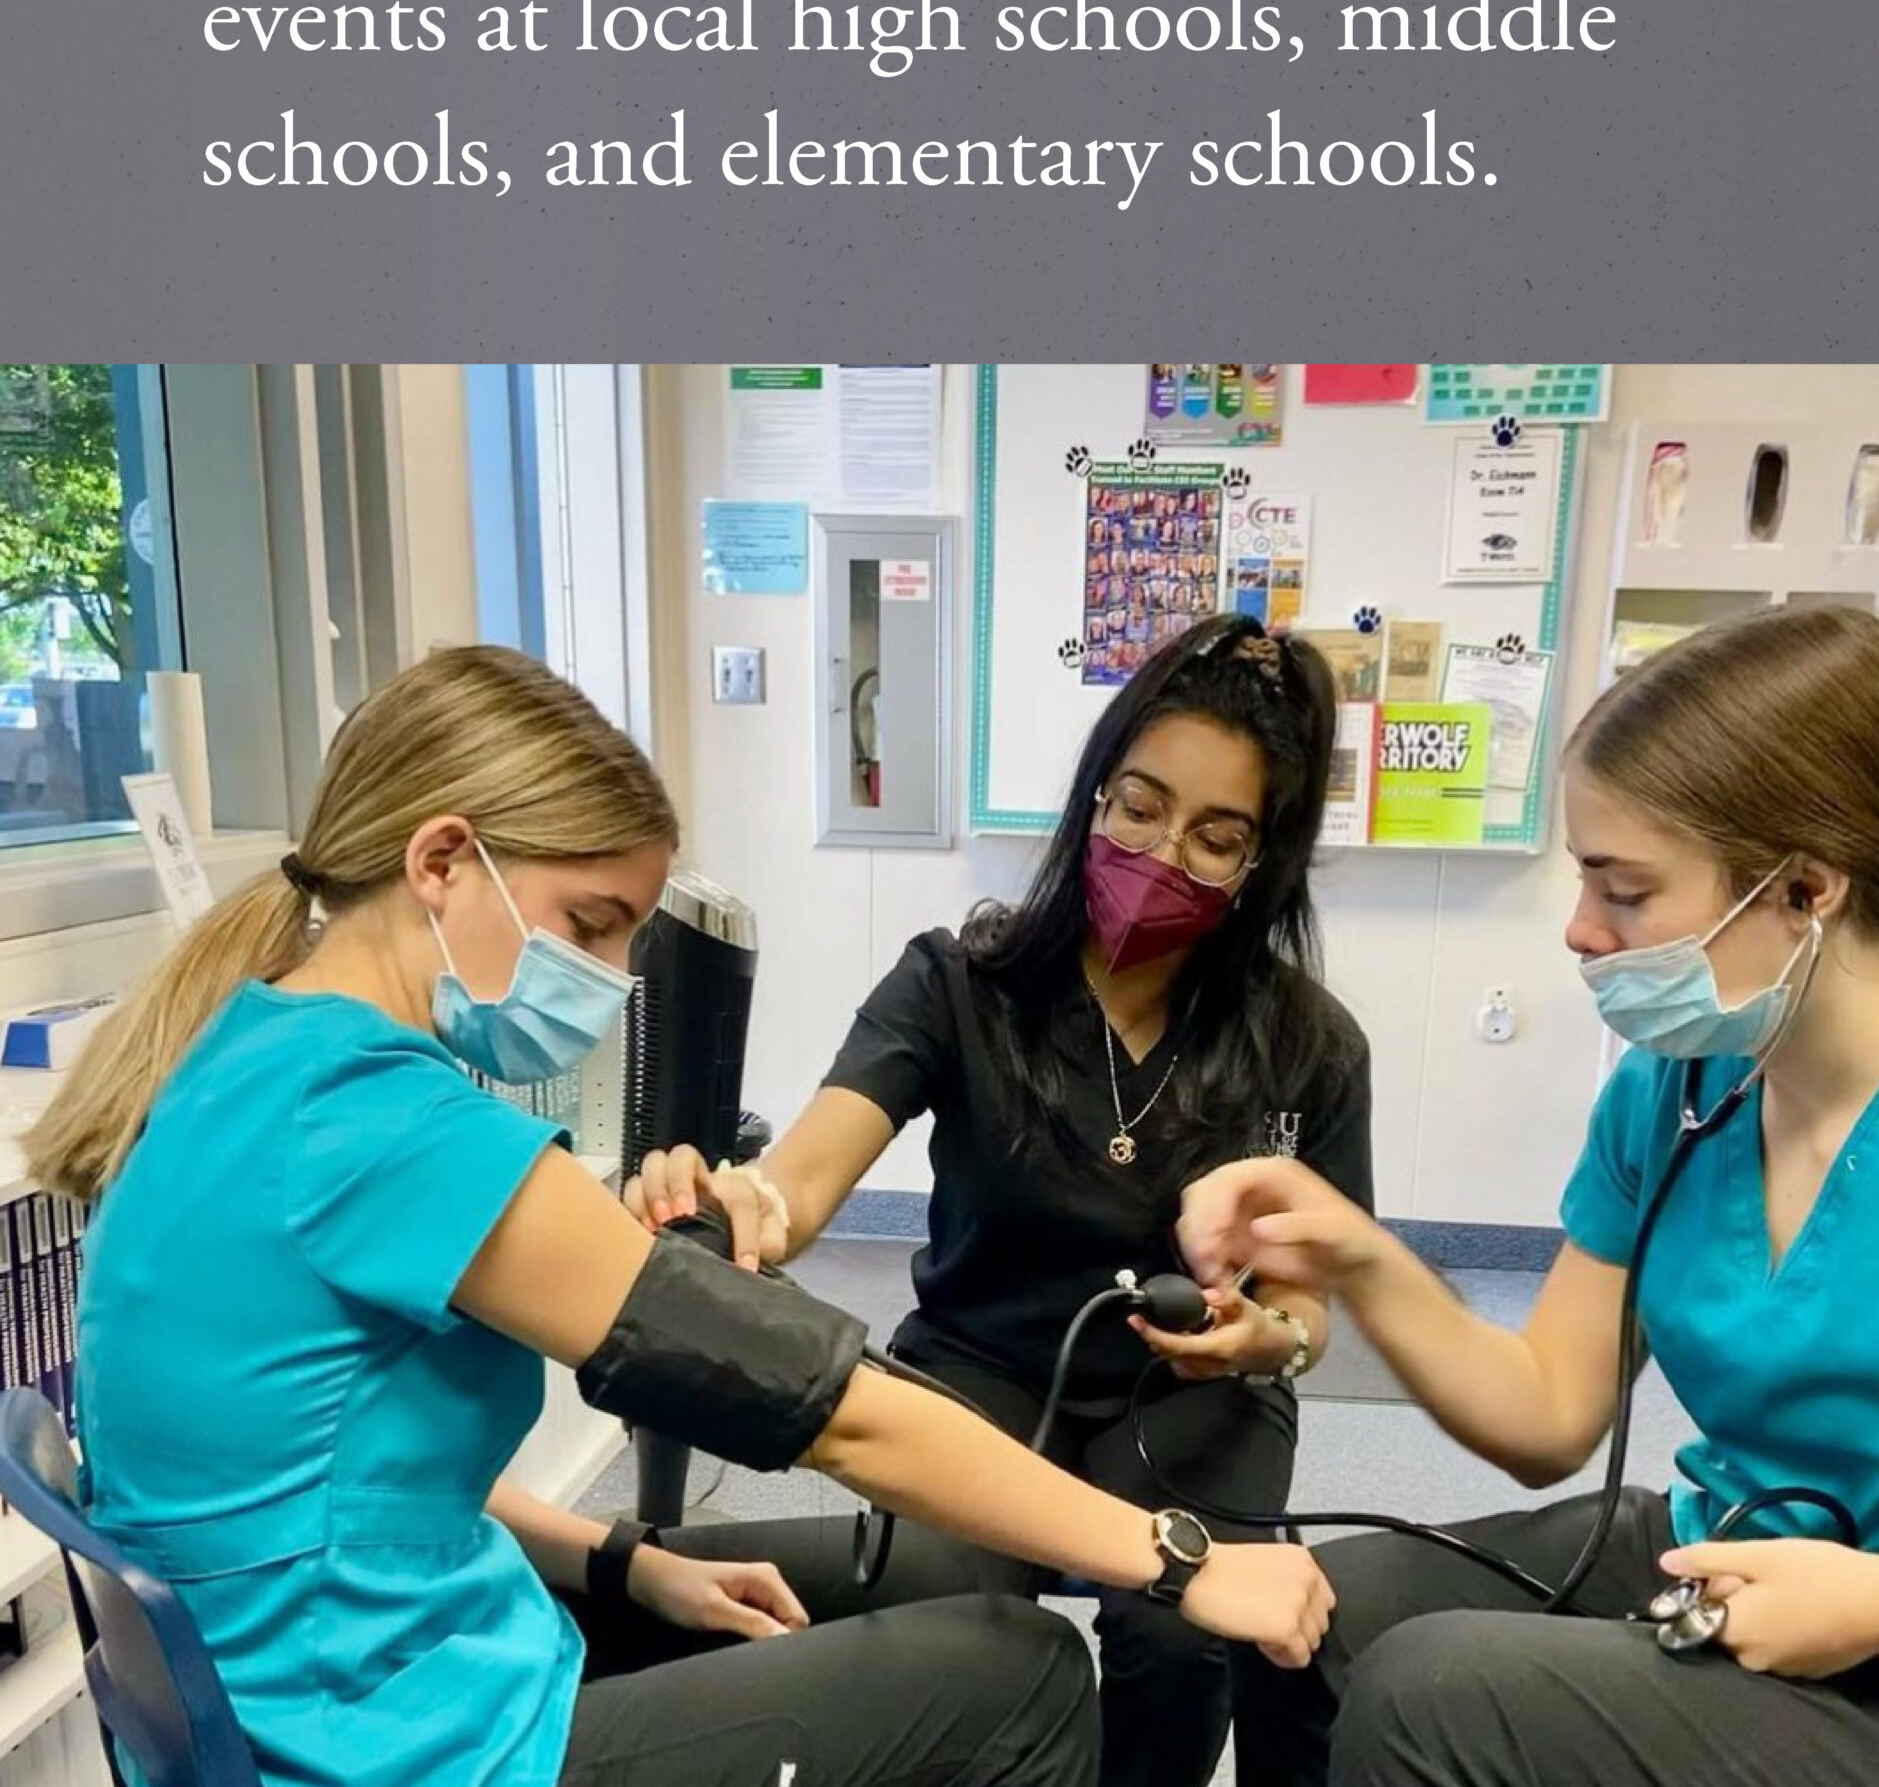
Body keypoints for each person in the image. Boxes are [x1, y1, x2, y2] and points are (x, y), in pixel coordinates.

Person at [34, 644, 1332, 1787]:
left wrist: (623, 1565)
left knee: (872, 1594)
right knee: (1027, 1678)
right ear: (441, 859)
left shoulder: (255, 1058)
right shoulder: (386, 1132)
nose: (608, 981)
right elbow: (835, 1412)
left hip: (333, 1690)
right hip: (392, 1743)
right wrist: (1180, 1561)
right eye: (591, 927)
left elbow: (352, 1484)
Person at [1172, 605, 1879, 1787]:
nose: (1581, 931)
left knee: (1434, 1702)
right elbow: (1546, 1418)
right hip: (1738, 1555)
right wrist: (1361, 1260)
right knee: (1302, 1615)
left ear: (1805, 888)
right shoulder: (1674, 1089)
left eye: (1622, 891)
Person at [633, 614, 1375, 1787]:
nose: (1162, 850)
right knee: (950, 1621)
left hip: (1188, 1397)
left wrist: (1259, 1336)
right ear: (1092, 795)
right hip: (979, 1367)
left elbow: (1307, 1311)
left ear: (1259, 863)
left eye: (1215, 835)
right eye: (1137, 804)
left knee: (1184, 1628)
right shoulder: (956, 983)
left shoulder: (1309, 1047)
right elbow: (807, 1172)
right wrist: (746, 1204)